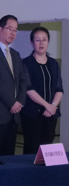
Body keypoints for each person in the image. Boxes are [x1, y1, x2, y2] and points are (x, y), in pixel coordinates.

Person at [0, 14, 28, 157]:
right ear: (0, 29)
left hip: (14, 114)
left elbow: (23, 80)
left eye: (15, 30)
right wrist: (12, 102)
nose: (13, 33)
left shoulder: (16, 55)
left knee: (9, 156)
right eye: (9, 29)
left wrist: (19, 103)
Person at [21, 27, 63, 155]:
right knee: (31, 148)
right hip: (32, 114)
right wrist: (47, 105)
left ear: (48, 42)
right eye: (37, 40)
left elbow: (59, 88)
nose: (41, 43)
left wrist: (53, 106)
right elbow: (28, 88)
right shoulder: (26, 63)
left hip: (51, 114)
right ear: (32, 42)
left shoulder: (53, 63)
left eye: (44, 39)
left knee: (47, 149)